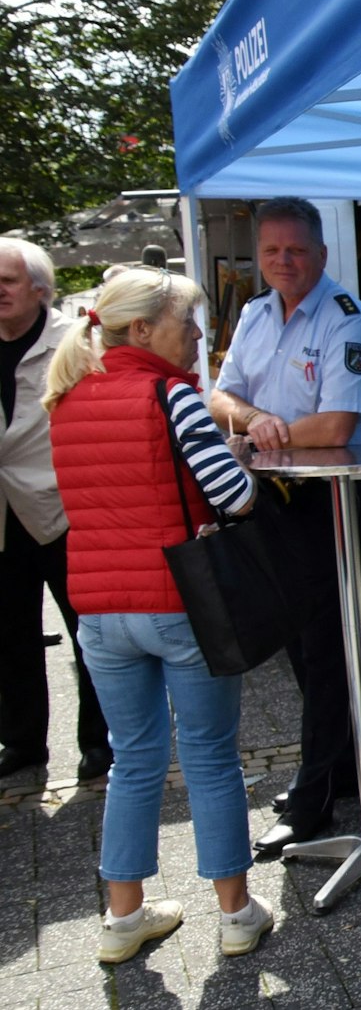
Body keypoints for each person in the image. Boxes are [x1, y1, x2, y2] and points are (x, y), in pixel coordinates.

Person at [43, 270, 274, 963]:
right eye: (188, 322)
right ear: (142, 329)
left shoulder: (65, 396)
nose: (199, 336)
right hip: (178, 601)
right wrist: (242, 461)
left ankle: (124, 916)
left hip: (98, 608)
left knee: (133, 759)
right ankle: (235, 913)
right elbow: (234, 498)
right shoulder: (171, 394)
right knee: (209, 755)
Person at [207, 196, 361, 854]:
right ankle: (335, 772)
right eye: (273, 250)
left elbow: (336, 425)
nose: (285, 260)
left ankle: (312, 800)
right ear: (259, 255)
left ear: (323, 253)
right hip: (274, 497)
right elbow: (218, 396)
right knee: (295, 640)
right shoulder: (255, 314)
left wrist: (255, 433)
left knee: (327, 648)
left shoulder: (349, 321)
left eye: (298, 250)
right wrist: (258, 422)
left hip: (330, 500)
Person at [0, 239, 111, 782]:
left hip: (63, 507)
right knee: (10, 632)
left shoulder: (73, 341)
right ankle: (22, 741)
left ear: (40, 290)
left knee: (86, 630)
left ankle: (98, 741)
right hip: (2, 514)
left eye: (9, 281)